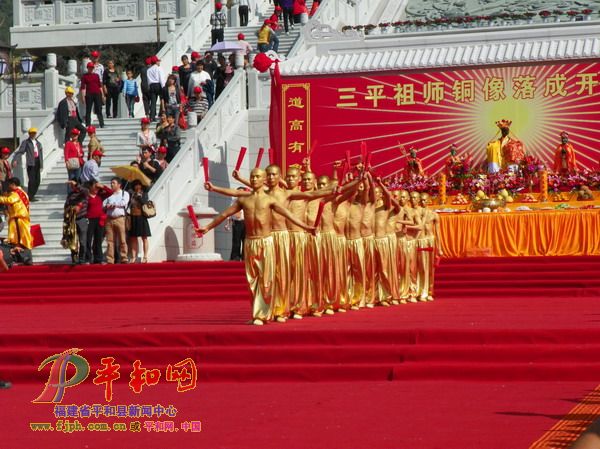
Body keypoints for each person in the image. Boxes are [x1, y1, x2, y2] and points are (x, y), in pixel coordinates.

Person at [198, 168, 316, 325]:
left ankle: (264, 314)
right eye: (252, 176)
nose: (254, 179)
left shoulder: (270, 200)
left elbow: (289, 215)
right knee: (252, 281)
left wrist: (306, 227)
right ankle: (257, 312)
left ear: (264, 180)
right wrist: (207, 227)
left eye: (257, 177)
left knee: (267, 280)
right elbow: (224, 214)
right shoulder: (244, 199)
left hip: (266, 242)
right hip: (250, 242)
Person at [0, 177, 33, 250]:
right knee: (22, 235)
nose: (8, 186)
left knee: (18, 235)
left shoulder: (16, 193)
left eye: (9, 184)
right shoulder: (23, 192)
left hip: (18, 218)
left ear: (13, 184)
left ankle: (19, 247)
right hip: (22, 217)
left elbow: (9, 200)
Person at [84, 180, 112, 264]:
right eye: (94, 186)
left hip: (99, 219)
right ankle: (88, 258)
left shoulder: (100, 195)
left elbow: (110, 192)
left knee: (98, 239)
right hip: (89, 219)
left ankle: (98, 258)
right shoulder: (86, 196)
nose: (96, 188)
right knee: (88, 239)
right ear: (90, 187)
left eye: (97, 186)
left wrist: (102, 186)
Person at [103, 177, 130, 264]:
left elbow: (124, 203)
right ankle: (110, 259)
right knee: (110, 240)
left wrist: (114, 205)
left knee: (122, 239)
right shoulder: (109, 194)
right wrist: (106, 206)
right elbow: (103, 204)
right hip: (109, 219)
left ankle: (124, 257)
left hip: (120, 218)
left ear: (119, 185)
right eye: (111, 183)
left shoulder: (124, 193)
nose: (111, 184)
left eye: (113, 183)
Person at [12, 128, 43, 201]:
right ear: (29, 134)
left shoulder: (38, 143)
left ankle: (32, 195)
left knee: (37, 180)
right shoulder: (26, 142)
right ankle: (30, 196)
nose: (33, 134)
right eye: (31, 133)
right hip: (31, 163)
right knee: (32, 180)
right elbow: (20, 151)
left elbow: (40, 154)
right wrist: (15, 160)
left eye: (34, 133)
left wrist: (41, 164)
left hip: (37, 162)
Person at [62, 181, 88, 264]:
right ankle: (74, 257)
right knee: (73, 240)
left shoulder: (84, 193)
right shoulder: (70, 195)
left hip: (82, 219)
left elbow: (85, 191)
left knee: (83, 241)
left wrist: (76, 184)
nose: (72, 187)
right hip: (71, 219)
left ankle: (82, 258)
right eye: (71, 185)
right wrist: (70, 210)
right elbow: (66, 206)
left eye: (73, 185)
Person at [128, 180, 151, 263]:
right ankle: (133, 256)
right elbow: (129, 205)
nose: (137, 187)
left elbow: (145, 203)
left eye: (139, 185)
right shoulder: (131, 194)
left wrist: (139, 197)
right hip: (133, 217)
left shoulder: (144, 194)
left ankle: (145, 256)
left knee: (144, 237)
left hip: (142, 217)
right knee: (133, 237)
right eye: (135, 185)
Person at [81, 62, 105, 128]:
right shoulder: (84, 76)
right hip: (89, 94)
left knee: (99, 109)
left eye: (92, 68)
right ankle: (88, 124)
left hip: (97, 93)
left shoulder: (96, 76)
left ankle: (102, 124)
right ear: (87, 68)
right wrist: (83, 96)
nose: (91, 69)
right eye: (89, 68)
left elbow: (100, 86)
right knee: (88, 109)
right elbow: (83, 87)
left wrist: (102, 95)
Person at [229, 187, 246, 261]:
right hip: (237, 222)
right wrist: (228, 221)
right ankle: (235, 257)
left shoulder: (247, 200)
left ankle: (245, 257)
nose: (240, 193)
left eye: (242, 192)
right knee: (236, 241)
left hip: (246, 222)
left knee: (246, 241)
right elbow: (229, 212)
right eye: (239, 192)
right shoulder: (234, 201)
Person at [147, 56, 166, 122]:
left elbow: (148, 80)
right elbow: (161, 78)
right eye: (158, 61)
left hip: (151, 85)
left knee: (153, 102)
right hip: (158, 85)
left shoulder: (149, 70)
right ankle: (162, 114)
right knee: (162, 99)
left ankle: (152, 117)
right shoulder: (158, 68)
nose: (159, 62)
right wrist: (163, 86)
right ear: (156, 62)